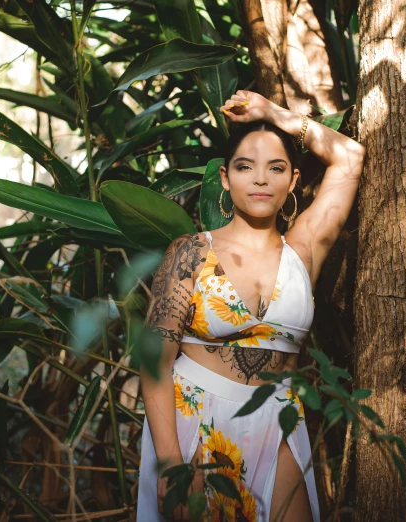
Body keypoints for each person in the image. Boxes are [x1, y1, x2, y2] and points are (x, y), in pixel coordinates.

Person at [136, 89, 366, 522]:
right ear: (225, 178)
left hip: (276, 419)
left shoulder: (304, 249)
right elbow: (155, 360)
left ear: (293, 181)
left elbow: (350, 158)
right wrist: (170, 462)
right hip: (193, 418)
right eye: (245, 167)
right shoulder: (190, 252)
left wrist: (271, 113)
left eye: (275, 168)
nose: (260, 179)